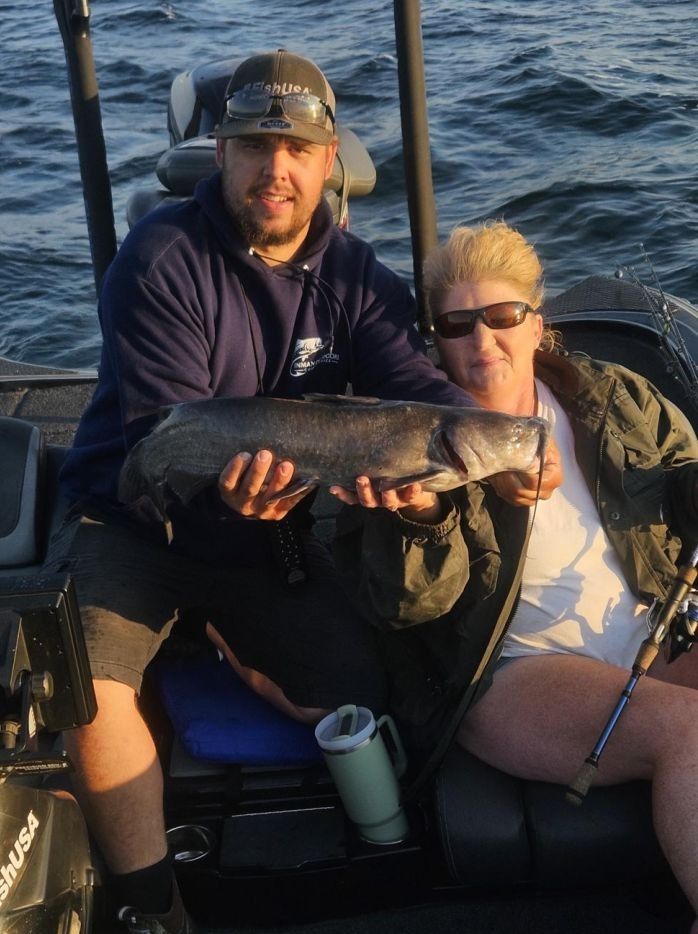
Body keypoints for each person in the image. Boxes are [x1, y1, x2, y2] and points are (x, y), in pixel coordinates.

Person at [46, 49, 474, 934]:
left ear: (328, 163)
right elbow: (166, 444)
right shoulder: (158, 259)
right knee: (88, 684)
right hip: (136, 512)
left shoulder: (360, 278)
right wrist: (228, 508)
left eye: (295, 149)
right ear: (221, 152)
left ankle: (223, 641)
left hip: (261, 529)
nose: (274, 169)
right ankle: (149, 901)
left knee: (362, 685)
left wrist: (467, 465)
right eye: (252, 145)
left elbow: (425, 399)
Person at [333, 219, 698, 928]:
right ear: (434, 339)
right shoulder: (410, 438)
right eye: (457, 324)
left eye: (502, 317)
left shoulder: (613, 397)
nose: (483, 341)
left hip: (656, 637)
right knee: (688, 729)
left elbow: (679, 482)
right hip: (515, 678)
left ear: (538, 323)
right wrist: (418, 520)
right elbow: (406, 608)